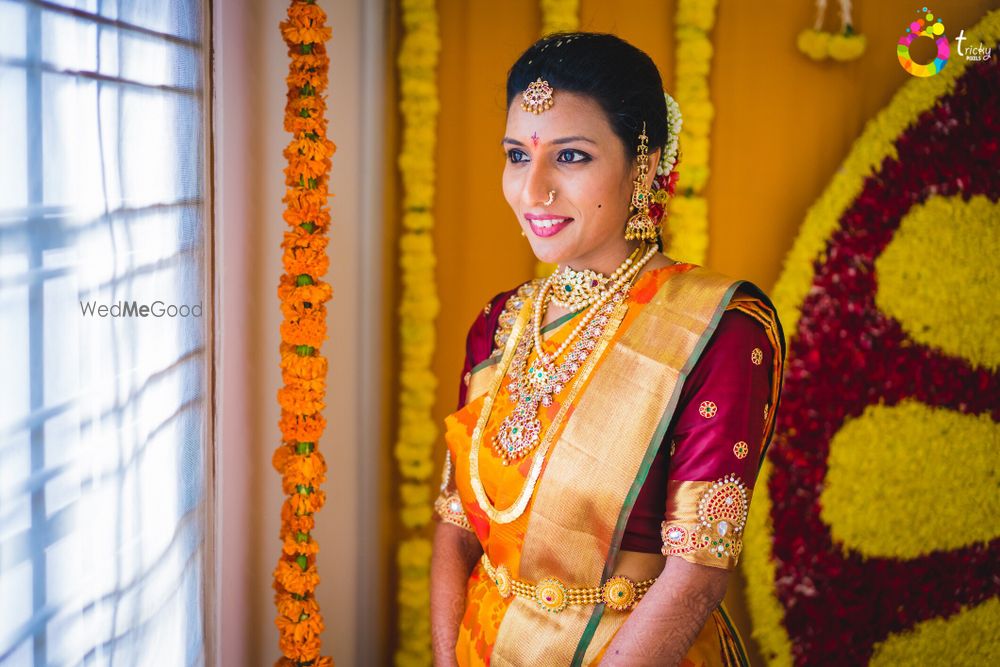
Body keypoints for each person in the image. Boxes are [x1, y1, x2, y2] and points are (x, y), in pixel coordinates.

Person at [430, 32, 784, 667]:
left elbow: (696, 576)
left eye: (569, 157)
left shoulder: (716, 330)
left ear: (642, 167)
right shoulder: (498, 324)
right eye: (517, 155)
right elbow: (457, 526)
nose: (532, 189)